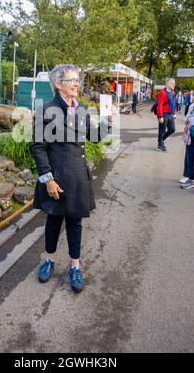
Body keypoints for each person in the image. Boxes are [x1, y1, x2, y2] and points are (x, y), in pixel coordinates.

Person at [32, 64, 111, 293]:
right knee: (53, 221)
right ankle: (49, 260)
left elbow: (95, 137)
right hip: (56, 178)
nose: (77, 84)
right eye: (72, 80)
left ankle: (75, 266)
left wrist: (107, 118)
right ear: (58, 84)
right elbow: (38, 147)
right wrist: (47, 179)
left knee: (75, 223)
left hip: (78, 176)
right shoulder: (45, 110)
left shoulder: (83, 110)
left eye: (78, 80)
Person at [156, 78, 176, 152]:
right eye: (172, 83)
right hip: (163, 114)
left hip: (170, 114)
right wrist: (160, 116)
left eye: (174, 83)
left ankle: (160, 140)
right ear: (167, 84)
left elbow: (173, 104)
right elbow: (159, 105)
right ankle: (160, 145)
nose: (174, 84)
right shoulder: (162, 92)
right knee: (162, 130)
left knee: (172, 129)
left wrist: (174, 113)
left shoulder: (172, 93)